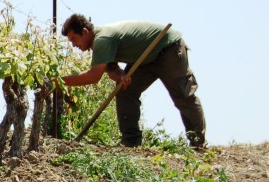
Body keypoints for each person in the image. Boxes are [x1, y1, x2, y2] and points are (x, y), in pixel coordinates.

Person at [60, 13, 206, 149]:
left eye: (74, 39)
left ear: (85, 32)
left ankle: (198, 144)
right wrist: (119, 74)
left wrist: (59, 81)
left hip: (167, 49)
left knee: (183, 96)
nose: (73, 45)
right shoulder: (98, 41)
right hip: (145, 57)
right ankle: (130, 143)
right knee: (125, 89)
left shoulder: (102, 39)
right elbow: (111, 67)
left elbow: (93, 76)